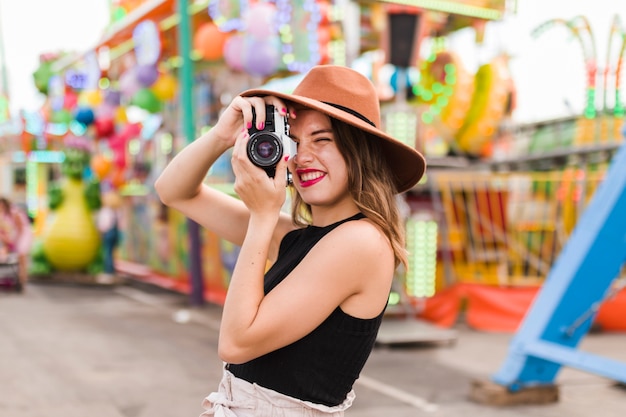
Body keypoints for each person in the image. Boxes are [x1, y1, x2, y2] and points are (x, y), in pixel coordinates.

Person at [155, 65, 426, 416]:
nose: (302, 157)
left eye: (322, 139)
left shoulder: (362, 241)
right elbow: (174, 191)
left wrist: (263, 215)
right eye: (293, 141)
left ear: (360, 151)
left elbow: (236, 343)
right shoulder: (299, 238)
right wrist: (223, 134)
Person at [0, 197, 33, 292]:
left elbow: (20, 229)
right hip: (15, 235)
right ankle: (20, 278)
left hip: (23, 234)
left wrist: (13, 242)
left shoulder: (14, 212)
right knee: (17, 256)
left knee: (22, 255)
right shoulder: (3, 215)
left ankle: (23, 279)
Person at [96, 190, 121, 283]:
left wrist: (100, 232)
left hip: (108, 233)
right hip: (115, 233)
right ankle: (112, 271)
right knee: (112, 252)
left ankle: (108, 272)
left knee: (108, 252)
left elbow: (104, 224)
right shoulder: (117, 211)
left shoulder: (106, 211)